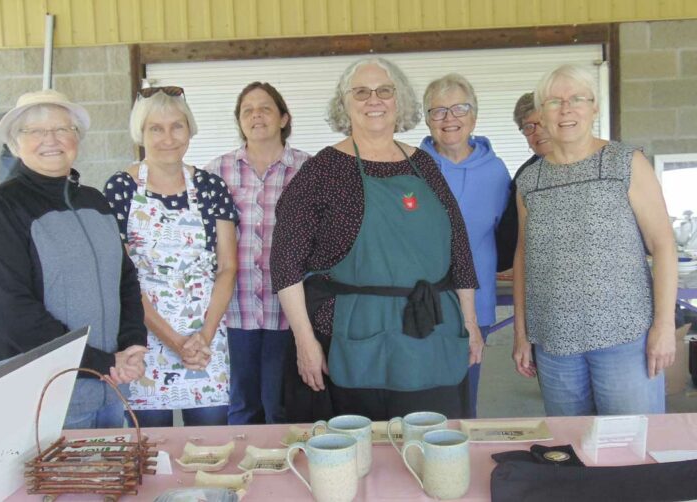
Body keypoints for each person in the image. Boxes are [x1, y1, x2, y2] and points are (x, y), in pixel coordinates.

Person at [271, 58, 483, 422]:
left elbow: (459, 250)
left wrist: (470, 321)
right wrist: (304, 342)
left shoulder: (423, 164)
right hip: (351, 335)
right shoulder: (324, 170)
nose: (375, 100)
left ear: (398, 101)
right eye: (362, 92)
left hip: (430, 330)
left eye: (385, 91)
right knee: (358, 451)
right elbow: (285, 263)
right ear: (344, 103)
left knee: (430, 443)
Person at [0, 89, 148, 429]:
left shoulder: (94, 201)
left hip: (110, 389)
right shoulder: (1, 206)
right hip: (42, 398)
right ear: (14, 142)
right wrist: (100, 362)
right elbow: (13, 311)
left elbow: (125, 281)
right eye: (35, 131)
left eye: (62, 129)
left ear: (76, 138)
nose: (51, 140)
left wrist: (132, 343)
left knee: (110, 481)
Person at [512, 65, 677, 416]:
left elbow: (663, 245)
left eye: (577, 99)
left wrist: (663, 326)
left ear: (594, 107)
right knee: (573, 455)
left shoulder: (626, 163)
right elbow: (524, 258)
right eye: (555, 101)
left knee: (631, 452)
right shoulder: (529, 180)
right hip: (555, 347)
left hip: (625, 339)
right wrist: (521, 333)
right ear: (541, 113)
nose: (566, 109)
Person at [103, 86, 238, 426]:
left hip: (204, 334)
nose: (168, 137)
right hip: (143, 337)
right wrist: (174, 340)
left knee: (211, 443)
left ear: (189, 129)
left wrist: (203, 337)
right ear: (141, 133)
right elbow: (122, 277)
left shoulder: (210, 186)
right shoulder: (121, 188)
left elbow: (227, 266)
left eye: (177, 126)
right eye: (156, 128)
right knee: (153, 450)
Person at [205, 82, 310, 425]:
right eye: (247, 110)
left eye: (265, 108)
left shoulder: (308, 170)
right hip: (236, 311)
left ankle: (284, 473)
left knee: (283, 408)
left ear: (283, 118)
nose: (256, 115)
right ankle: (242, 476)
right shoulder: (215, 172)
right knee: (242, 407)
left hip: (289, 311)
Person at [419, 74, 510, 417]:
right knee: (422, 399)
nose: (449, 119)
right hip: (422, 303)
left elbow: (502, 232)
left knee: (465, 400)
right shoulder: (412, 167)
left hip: (478, 302)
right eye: (439, 111)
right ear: (427, 119)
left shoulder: (497, 172)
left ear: (474, 116)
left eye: (459, 108)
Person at [495, 92, 554, 272]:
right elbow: (509, 240)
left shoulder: (593, 164)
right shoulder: (526, 176)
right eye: (528, 127)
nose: (537, 131)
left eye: (543, 122)